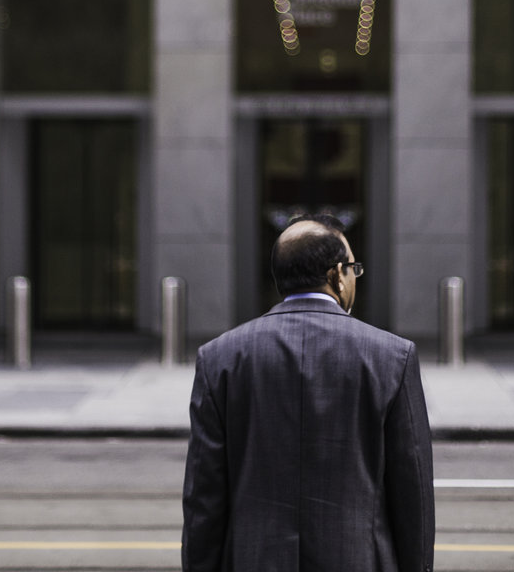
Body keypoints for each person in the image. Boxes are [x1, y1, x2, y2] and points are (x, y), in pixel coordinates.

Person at [181, 214, 435, 572]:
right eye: (353, 269)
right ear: (336, 275)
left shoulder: (220, 358)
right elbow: (413, 498)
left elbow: (203, 499)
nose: (354, 278)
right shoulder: (392, 356)